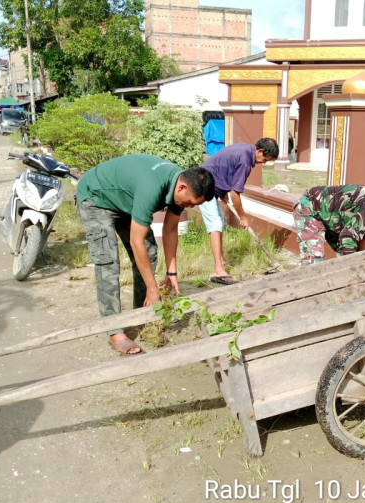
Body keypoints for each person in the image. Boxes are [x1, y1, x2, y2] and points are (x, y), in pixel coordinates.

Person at [76, 154, 215, 355]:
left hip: (125, 201)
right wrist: (152, 287)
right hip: (96, 198)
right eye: (191, 202)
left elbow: (170, 230)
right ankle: (114, 331)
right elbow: (136, 241)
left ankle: (142, 311)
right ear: (182, 188)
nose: (191, 207)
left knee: (148, 252)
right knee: (108, 261)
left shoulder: (180, 184)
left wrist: (171, 273)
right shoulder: (152, 187)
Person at [199, 138, 279, 284]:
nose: (263, 163)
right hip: (203, 186)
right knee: (215, 224)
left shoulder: (243, 148)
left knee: (220, 220)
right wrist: (243, 217)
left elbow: (224, 168)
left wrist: (222, 191)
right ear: (260, 151)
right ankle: (218, 271)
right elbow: (235, 193)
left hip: (209, 182)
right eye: (265, 159)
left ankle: (221, 260)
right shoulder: (245, 161)